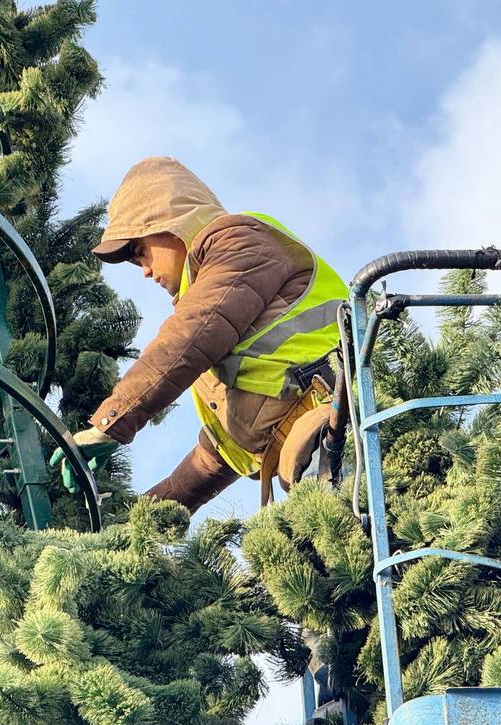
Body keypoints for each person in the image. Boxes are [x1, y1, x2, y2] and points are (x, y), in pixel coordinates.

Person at [50, 156, 348, 512]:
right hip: (316, 449)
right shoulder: (223, 333)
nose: (144, 271)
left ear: (171, 224)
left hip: (343, 424)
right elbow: (215, 457)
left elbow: (189, 338)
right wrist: (140, 520)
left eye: (142, 253)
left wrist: (109, 424)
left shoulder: (238, 241)